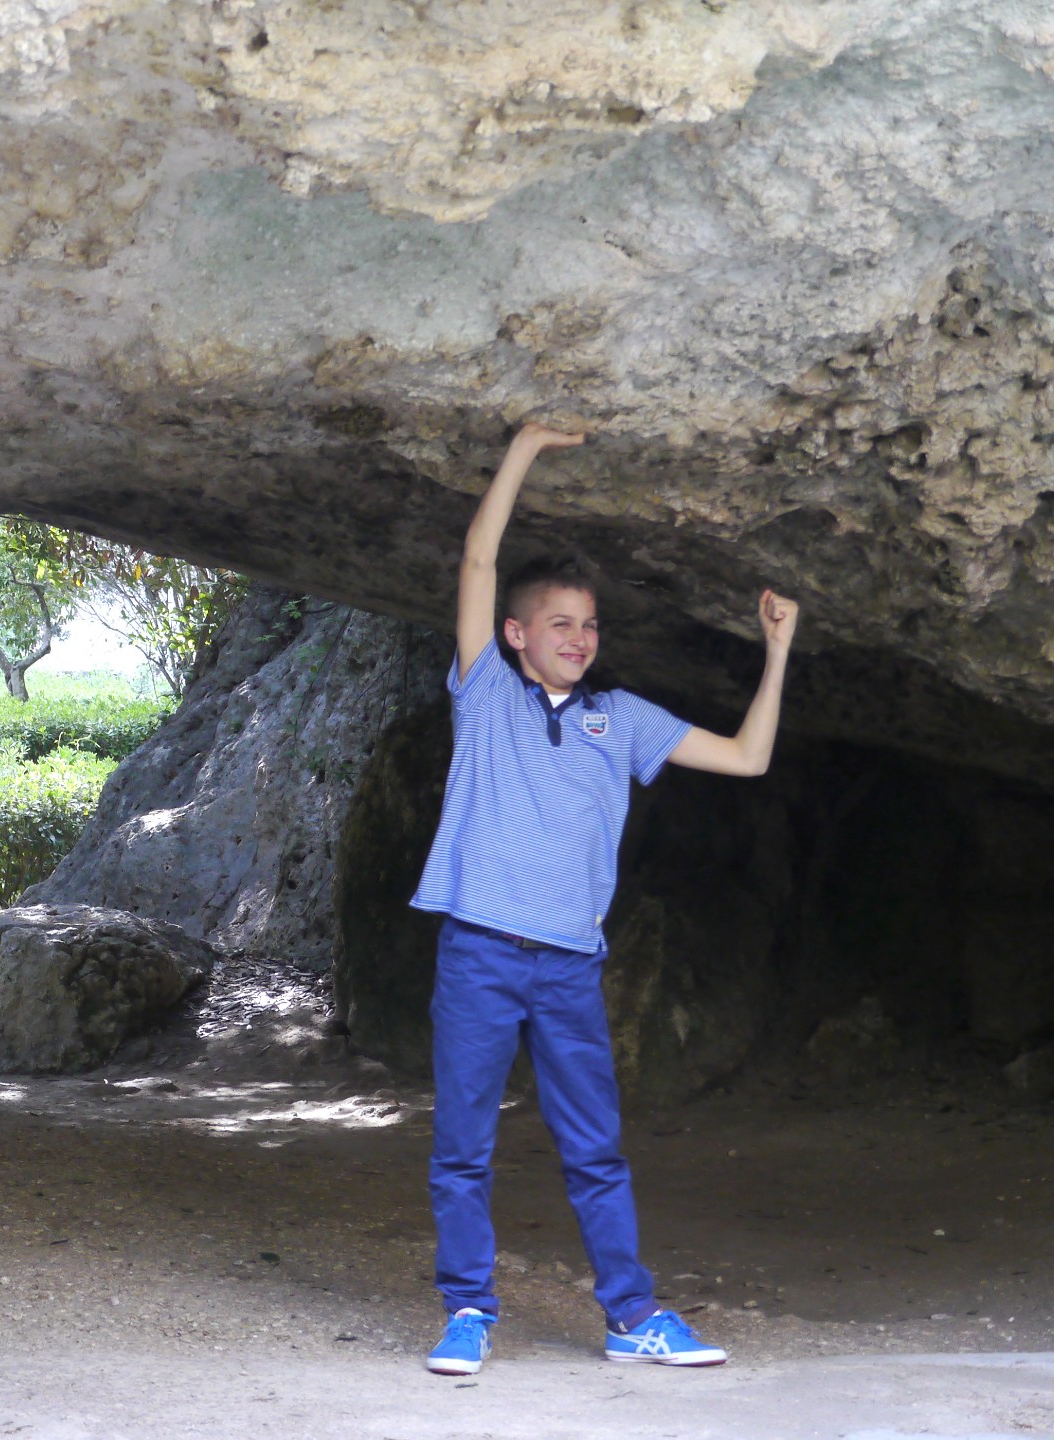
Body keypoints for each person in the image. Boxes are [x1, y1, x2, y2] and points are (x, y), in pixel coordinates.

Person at [414, 420, 800, 1376]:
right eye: (559, 624)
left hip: (569, 965)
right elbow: (477, 560)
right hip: (479, 951)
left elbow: (748, 757)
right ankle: (467, 1312)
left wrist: (776, 650)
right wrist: (522, 450)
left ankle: (632, 1317)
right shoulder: (484, 694)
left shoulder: (619, 720)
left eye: (588, 626)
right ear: (516, 635)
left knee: (594, 1150)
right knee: (462, 1147)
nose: (579, 639)